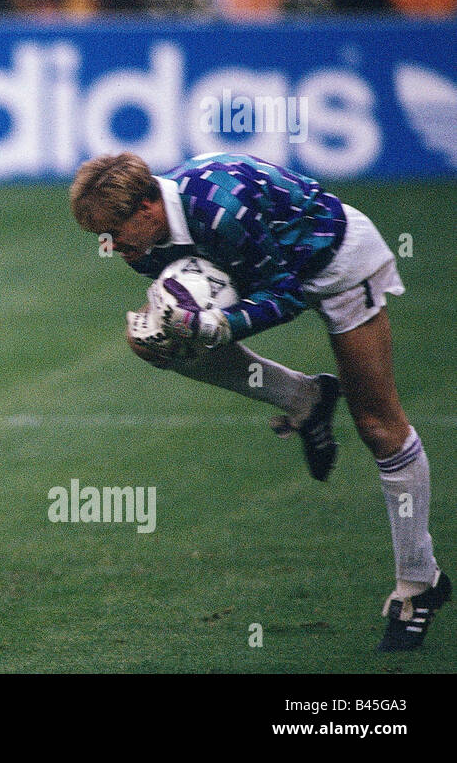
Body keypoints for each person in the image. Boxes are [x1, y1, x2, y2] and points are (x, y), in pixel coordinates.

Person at [70, 151, 447, 652]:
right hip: (252, 265)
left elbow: (286, 293)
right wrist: (165, 320)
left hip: (337, 262)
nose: (112, 247)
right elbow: (209, 284)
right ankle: (305, 397)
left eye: (116, 232)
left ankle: (419, 584)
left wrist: (215, 325)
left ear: (147, 206)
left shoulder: (221, 208)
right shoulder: (146, 241)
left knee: (379, 426)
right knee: (152, 341)